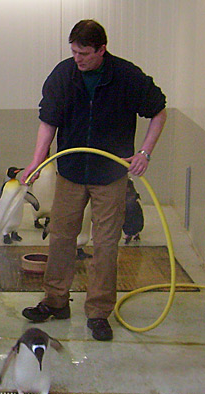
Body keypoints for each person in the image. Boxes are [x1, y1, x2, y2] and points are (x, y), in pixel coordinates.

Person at [20, 19, 167, 341]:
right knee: (60, 237)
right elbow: (49, 121)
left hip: (110, 176)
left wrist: (145, 152)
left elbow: (159, 111)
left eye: (84, 53)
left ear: (102, 50)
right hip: (70, 172)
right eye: (74, 51)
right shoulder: (63, 74)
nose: (78, 58)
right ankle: (56, 301)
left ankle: (99, 311)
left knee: (104, 244)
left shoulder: (127, 76)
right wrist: (36, 161)